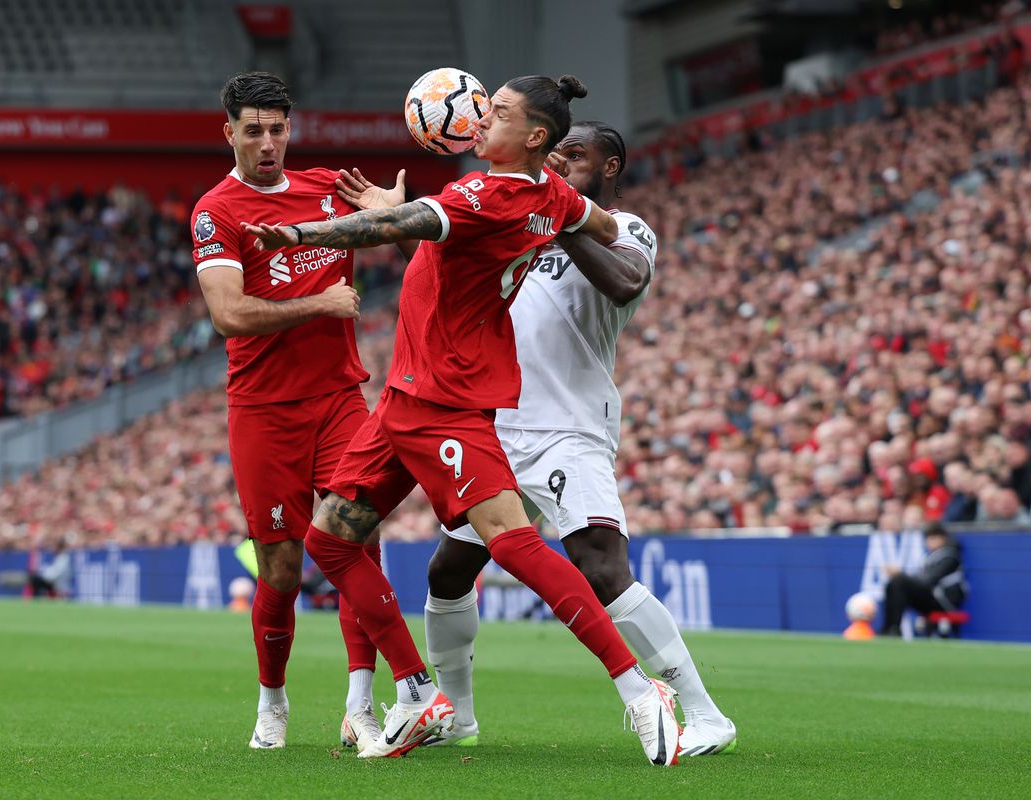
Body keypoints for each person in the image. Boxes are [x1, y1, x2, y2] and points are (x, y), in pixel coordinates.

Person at [244, 74, 683, 766]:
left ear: (534, 136)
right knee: (329, 540)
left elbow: (391, 228)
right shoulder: (551, 195)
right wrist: (564, 223)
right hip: (404, 397)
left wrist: (298, 233)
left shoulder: (489, 194)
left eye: (498, 111)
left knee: (511, 543)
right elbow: (602, 230)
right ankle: (419, 692)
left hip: (446, 398)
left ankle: (638, 688)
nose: (481, 118)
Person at [390, 120, 734, 756]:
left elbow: (626, 282)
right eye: (554, 154)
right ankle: (458, 717)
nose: (559, 162)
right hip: (496, 422)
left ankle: (705, 714)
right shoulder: (519, 222)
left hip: (568, 428)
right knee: (449, 571)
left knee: (602, 568)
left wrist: (559, 213)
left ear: (610, 167)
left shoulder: (624, 227)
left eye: (575, 155)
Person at [192, 71, 388, 753]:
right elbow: (228, 314)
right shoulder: (216, 211)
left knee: (359, 542)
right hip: (263, 410)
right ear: (229, 132)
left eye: (277, 129)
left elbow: (398, 226)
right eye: (254, 131)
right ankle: (272, 701)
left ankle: (361, 705)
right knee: (280, 569)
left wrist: (394, 207)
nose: (268, 143)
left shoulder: (330, 188)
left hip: (339, 398)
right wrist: (319, 304)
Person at [881, 524, 968, 635]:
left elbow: (928, 581)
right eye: (928, 538)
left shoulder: (950, 557)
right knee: (894, 584)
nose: (930, 542)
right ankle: (890, 627)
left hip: (944, 602)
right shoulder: (932, 556)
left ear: (943, 539)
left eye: (934, 538)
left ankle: (893, 629)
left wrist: (901, 574)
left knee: (899, 581)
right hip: (933, 598)